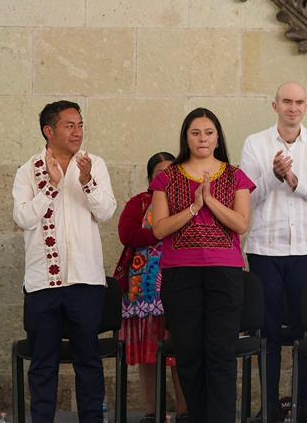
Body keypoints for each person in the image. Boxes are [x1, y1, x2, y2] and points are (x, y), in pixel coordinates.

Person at [240, 82, 307, 423]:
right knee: (266, 331)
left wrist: (296, 181)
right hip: (264, 249)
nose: (292, 107)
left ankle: (306, 405)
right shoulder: (255, 143)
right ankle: (268, 405)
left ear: (306, 107)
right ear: (275, 105)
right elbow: (247, 197)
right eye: (286, 101)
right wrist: (273, 175)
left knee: (305, 329)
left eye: (299, 102)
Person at [12, 101, 117, 423]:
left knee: (89, 359)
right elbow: (22, 218)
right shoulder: (28, 170)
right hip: (43, 283)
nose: (78, 132)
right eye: (70, 125)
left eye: (81, 125)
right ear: (49, 130)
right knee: (43, 362)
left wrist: (86, 182)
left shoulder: (94, 164)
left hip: (85, 281)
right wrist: (50, 187)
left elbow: (106, 212)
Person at [150, 108, 254, 423]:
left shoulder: (236, 175)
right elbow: (159, 229)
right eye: (196, 133)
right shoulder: (166, 177)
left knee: (221, 354)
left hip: (225, 274)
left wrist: (210, 201)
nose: (202, 139)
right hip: (180, 274)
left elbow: (241, 224)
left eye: (208, 132)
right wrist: (194, 207)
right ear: (186, 137)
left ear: (218, 136)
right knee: (190, 354)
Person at [115, 151, 187, 423]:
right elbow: (127, 233)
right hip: (141, 290)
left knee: (179, 348)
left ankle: (184, 410)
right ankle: (151, 410)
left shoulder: (188, 201)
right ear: (150, 178)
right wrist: (159, 232)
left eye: (171, 172)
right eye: (160, 174)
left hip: (178, 284)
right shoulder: (139, 203)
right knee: (148, 351)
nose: (166, 178)